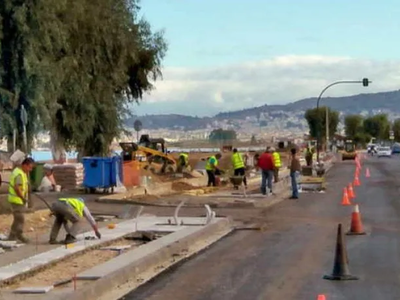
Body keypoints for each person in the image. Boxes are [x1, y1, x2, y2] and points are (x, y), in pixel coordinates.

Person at [8, 157, 35, 243]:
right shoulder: (19, 174)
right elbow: (17, 188)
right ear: (24, 165)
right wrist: (23, 198)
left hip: (16, 200)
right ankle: (19, 235)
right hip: (17, 200)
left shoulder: (21, 172)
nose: (30, 170)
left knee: (17, 219)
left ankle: (12, 236)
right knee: (20, 219)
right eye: (29, 167)